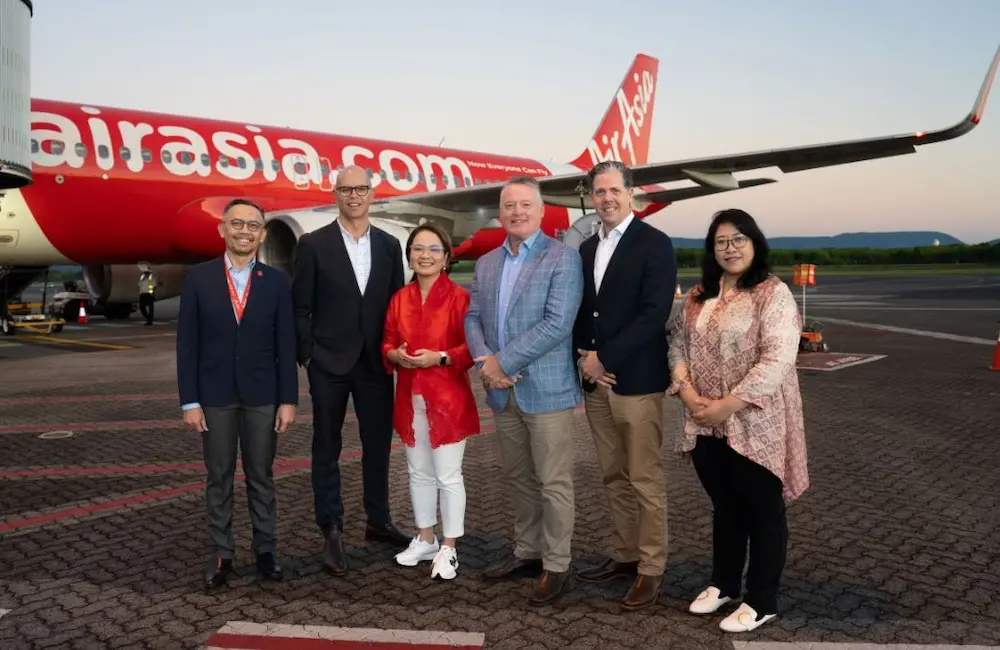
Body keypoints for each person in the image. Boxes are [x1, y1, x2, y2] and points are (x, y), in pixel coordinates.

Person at [667, 208, 809, 633]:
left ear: (754, 243)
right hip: (704, 419)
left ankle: (762, 600)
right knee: (725, 507)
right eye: (721, 241)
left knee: (763, 510)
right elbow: (676, 343)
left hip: (755, 421)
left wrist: (728, 404)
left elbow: (779, 357)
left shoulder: (772, 292)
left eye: (738, 239)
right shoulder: (697, 295)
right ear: (712, 250)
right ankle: (725, 584)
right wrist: (688, 393)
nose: (730, 248)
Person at [464, 174, 584, 606]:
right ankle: (527, 552)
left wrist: (503, 362)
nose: (516, 212)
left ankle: (557, 564)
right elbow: (473, 316)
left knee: (553, 481)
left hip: (545, 388)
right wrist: (484, 361)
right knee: (517, 477)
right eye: (509, 206)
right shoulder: (487, 263)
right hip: (502, 389)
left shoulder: (562, 258)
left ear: (540, 211)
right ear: (499, 214)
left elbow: (557, 323)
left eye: (525, 205)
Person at [292, 164, 410, 577]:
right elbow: (301, 306)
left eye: (361, 189)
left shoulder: (390, 245)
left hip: (376, 363)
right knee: (327, 447)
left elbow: (398, 305)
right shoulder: (312, 244)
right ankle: (332, 528)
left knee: (378, 445)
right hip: (329, 363)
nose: (354, 196)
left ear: (372, 194)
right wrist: (308, 355)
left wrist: (394, 349)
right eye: (346, 190)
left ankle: (378, 520)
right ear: (336, 194)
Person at [175, 198, 298, 589]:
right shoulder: (199, 278)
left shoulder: (277, 282)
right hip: (214, 397)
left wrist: (289, 400)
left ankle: (266, 551)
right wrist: (190, 401)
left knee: (261, 476)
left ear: (262, 233)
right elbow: (187, 345)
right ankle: (221, 554)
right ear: (222, 229)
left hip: (263, 395)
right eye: (237, 224)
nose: (245, 231)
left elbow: (286, 346)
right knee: (219, 478)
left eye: (253, 226)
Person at [572, 161, 677, 611]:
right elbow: (582, 311)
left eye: (615, 190)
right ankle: (624, 555)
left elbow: (654, 315)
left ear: (630, 194)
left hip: (635, 382)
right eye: (599, 192)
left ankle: (651, 570)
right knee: (613, 476)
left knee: (644, 478)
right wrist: (583, 359)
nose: (607, 198)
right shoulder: (585, 248)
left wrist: (604, 359)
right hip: (597, 384)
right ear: (591, 198)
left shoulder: (654, 244)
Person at [381, 222, 480, 580]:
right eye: (418, 249)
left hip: (447, 399)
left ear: (446, 257)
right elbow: (387, 342)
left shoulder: (459, 298)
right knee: (418, 471)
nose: (424, 255)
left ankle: (450, 547)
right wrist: (396, 355)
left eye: (433, 249)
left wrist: (438, 358)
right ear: (409, 256)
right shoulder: (399, 298)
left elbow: (471, 348)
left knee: (448, 475)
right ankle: (425, 538)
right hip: (410, 398)